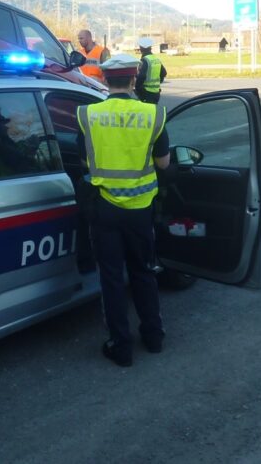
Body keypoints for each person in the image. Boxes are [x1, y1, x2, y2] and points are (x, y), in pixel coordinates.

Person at [75, 54, 169, 367]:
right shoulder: (153, 115)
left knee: (112, 279)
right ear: (133, 81)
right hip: (141, 210)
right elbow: (163, 163)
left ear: (104, 79)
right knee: (143, 273)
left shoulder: (88, 115)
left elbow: (84, 161)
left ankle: (121, 347)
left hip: (105, 209)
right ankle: (153, 337)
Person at [134, 38, 166, 104]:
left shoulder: (145, 60)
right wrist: (157, 83)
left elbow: (141, 76)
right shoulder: (156, 59)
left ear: (141, 48)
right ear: (150, 47)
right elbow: (164, 73)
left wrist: (137, 89)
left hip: (147, 93)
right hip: (156, 93)